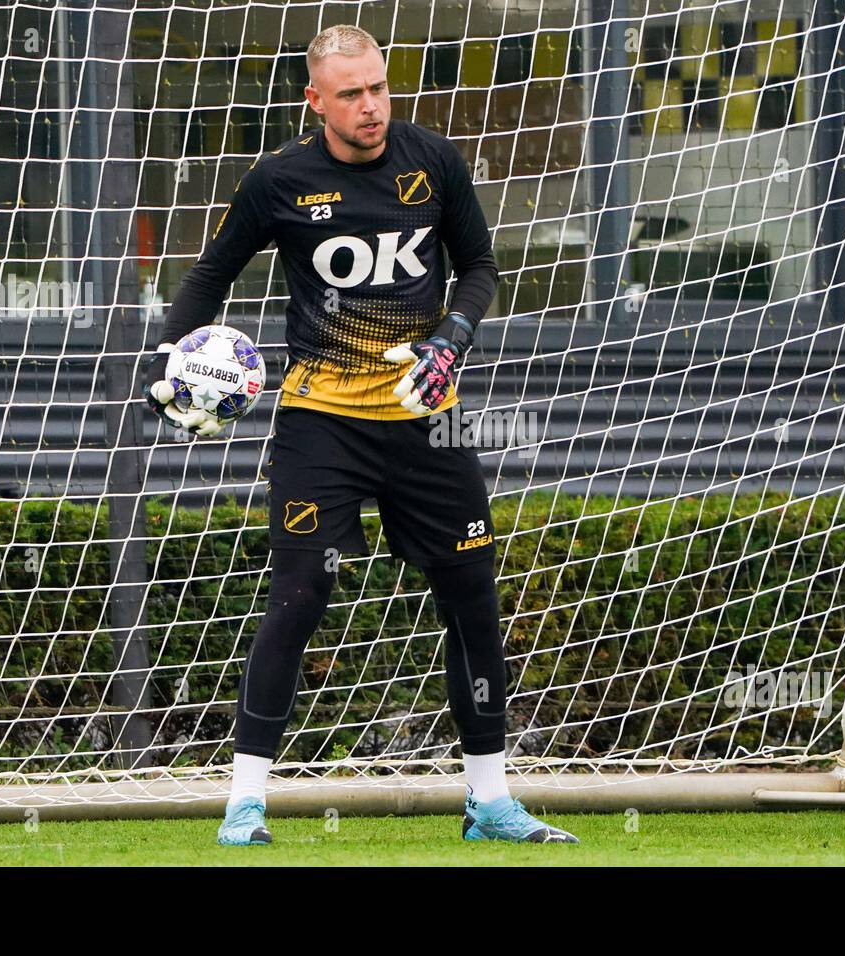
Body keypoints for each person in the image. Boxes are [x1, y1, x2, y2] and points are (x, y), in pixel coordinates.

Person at [143, 24, 578, 846]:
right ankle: (244, 806)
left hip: (425, 416)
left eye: (378, 88)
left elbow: (480, 267)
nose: (372, 106)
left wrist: (452, 338)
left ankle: (491, 802)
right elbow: (210, 274)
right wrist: (163, 359)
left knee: (472, 597)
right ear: (317, 100)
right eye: (352, 94)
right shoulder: (278, 179)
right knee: (302, 592)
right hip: (322, 418)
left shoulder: (434, 159)